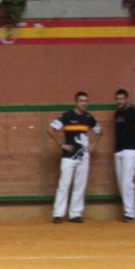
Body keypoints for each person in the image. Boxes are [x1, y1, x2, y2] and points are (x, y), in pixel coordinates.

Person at [48, 91, 100, 223]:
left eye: (86, 101)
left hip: (83, 156)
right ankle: (58, 214)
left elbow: (100, 131)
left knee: (80, 185)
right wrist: (62, 145)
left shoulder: (89, 117)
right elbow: (50, 129)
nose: (83, 103)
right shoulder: (67, 116)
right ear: (76, 102)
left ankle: (75, 214)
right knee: (64, 185)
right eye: (81, 101)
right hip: (68, 156)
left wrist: (94, 145)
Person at [111, 88, 135, 222]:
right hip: (119, 151)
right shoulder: (117, 114)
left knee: (127, 182)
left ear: (127, 99)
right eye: (117, 99)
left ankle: (130, 212)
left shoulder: (134, 113)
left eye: (121, 98)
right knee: (121, 182)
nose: (119, 101)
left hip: (132, 150)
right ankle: (128, 211)